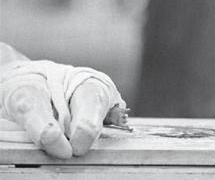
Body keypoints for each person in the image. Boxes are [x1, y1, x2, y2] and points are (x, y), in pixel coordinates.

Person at [0, 42, 128, 158]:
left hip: (25, 73)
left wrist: (110, 113)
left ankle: (54, 127)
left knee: (25, 95)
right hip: (28, 76)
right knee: (86, 84)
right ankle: (89, 118)